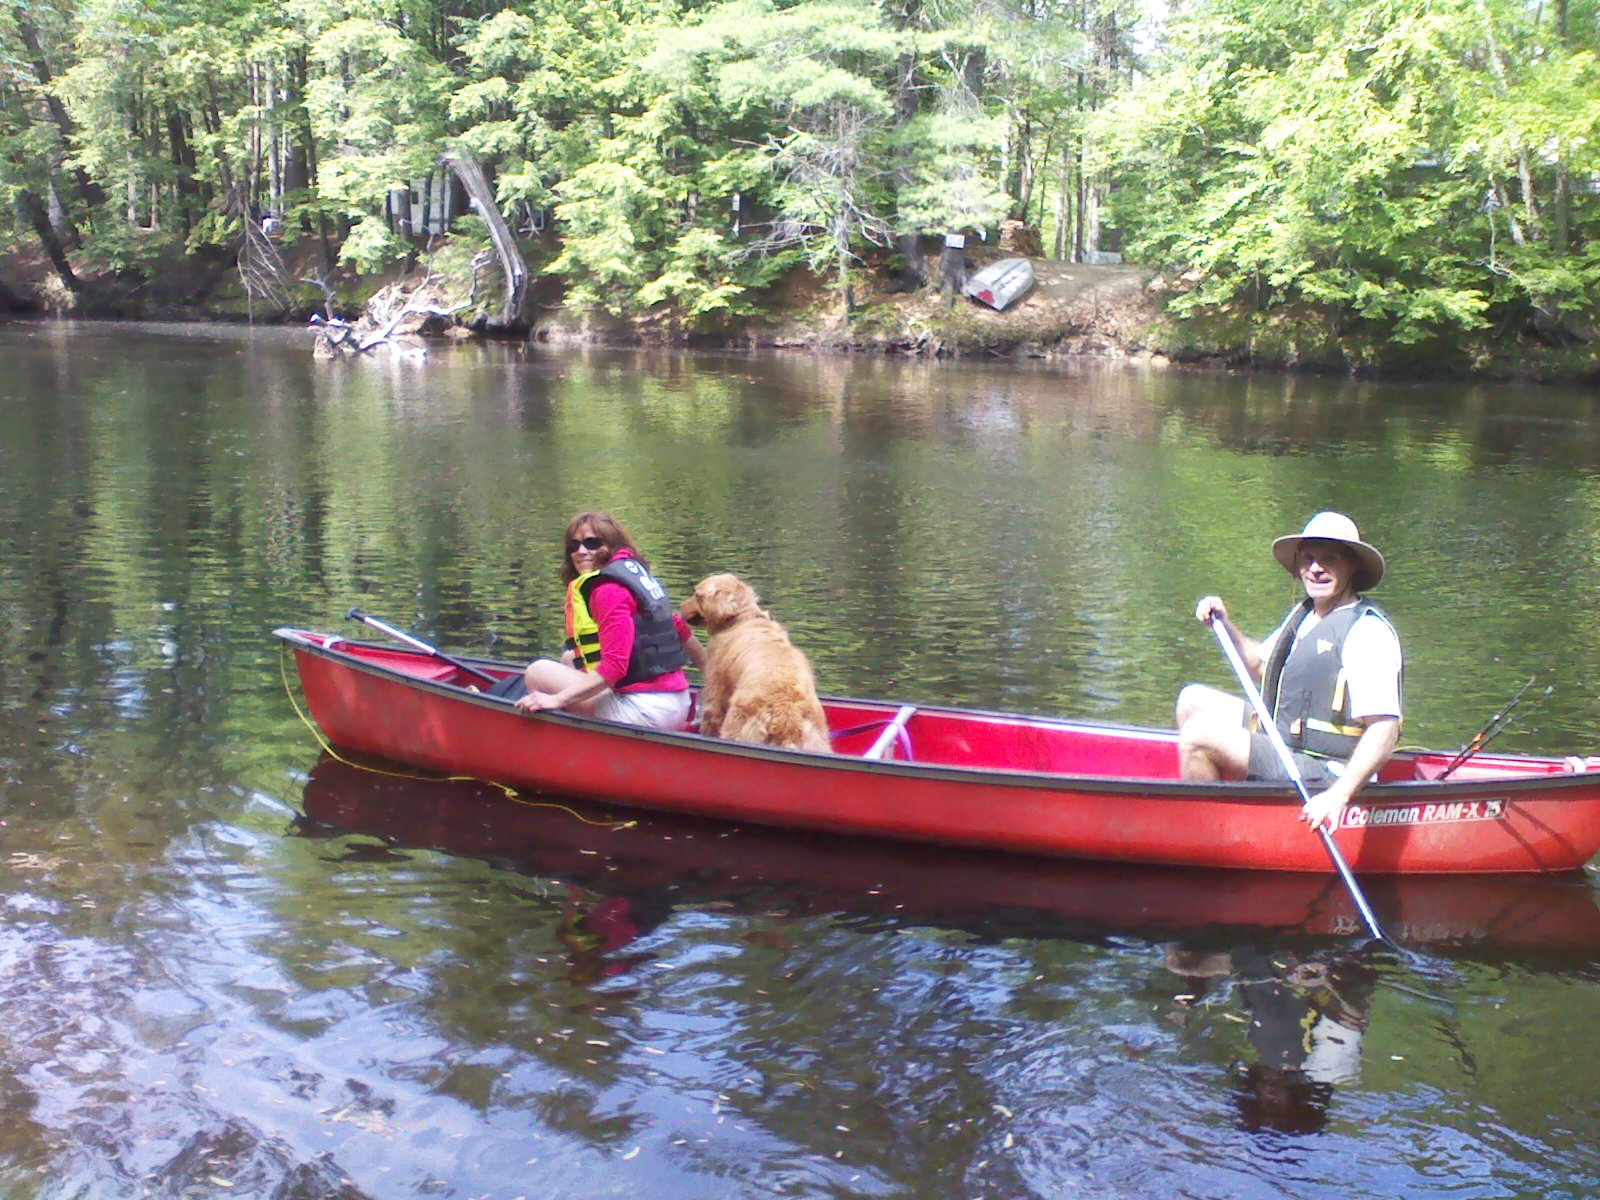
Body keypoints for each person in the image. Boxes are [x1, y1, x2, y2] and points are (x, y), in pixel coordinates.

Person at [1175, 511, 1402, 832]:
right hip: (1287, 744)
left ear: (1352, 565)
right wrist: (1223, 624)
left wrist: (1339, 795)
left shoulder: (1365, 632)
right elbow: (1259, 665)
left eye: (1329, 559)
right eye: (1308, 559)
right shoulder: (1307, 614)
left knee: (1198, 735)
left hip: (1328, 770)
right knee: (1192, 700)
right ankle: (1222, 800)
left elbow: (1385, 728)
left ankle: (1206, 835)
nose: (1316, 568)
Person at [513, 511, 706, 729]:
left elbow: (615, 667)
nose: (581, 551)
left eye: (592, 543)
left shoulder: (608, 590)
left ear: (612, 544)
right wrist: (717, 677)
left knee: (538, 672)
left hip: (645, 712)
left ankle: (568, 745)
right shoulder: (636, 575)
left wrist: (556, 699)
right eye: (574, 546)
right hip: (678, 702)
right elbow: (679, 627)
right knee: (571, 658)